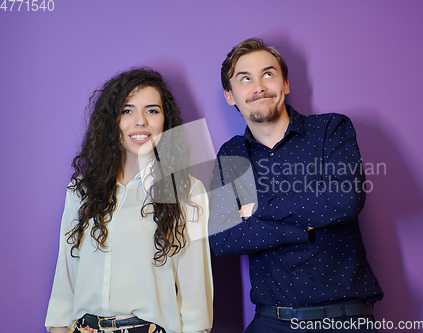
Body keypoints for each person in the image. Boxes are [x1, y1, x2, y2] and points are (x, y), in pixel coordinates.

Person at [209, 38, 383, 332]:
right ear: (230, 96)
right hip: (270, 321)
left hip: (343, 318)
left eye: (268, 74)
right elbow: (224, 239)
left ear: (285, 84)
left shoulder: (330, 129)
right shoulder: (232, 154)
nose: (258, 87)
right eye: (245, 79)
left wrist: (257, 209)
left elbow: (345, 199)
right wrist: (301, 228)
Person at [45, 68, 213, 333]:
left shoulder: (187, 192)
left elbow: (195, 298)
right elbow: (65, 279)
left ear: (165, 120)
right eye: (127, 110)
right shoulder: (81, 191)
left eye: (152, 110)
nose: (140, 121)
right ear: (111, 121)